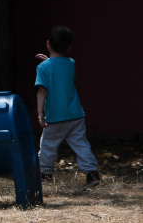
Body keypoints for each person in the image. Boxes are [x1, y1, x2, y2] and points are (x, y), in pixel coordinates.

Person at [35, 25, 101, 185]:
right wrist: (49, 62)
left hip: (55, 117)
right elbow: (60, 70)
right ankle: (92, 174)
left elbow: (42, 92)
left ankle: (45, 174)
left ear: (48, 44)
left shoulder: (42, 67)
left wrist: (39, 113)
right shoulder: (71, 63)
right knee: (81, 144)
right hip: (76, 115)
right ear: (69, 47)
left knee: (48, 146)